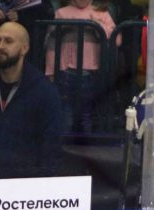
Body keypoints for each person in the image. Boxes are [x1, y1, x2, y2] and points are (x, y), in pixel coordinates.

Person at [0, 20, 62, 180]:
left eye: (8, 41)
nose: (0, 46)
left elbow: (50, 149)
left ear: (24, 48)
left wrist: (41, 189)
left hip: (25, 188)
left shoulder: (45, 92)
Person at [45, 0, 117, 132]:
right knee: (65, 114)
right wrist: (50, 70)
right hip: (65, 71)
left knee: (87, 114)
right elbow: (52, 44)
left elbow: (117, 39)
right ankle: (64, 142)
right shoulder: (61, 13)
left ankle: (86, 141)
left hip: (91, 71)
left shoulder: (102, 13)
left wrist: (98, 26)